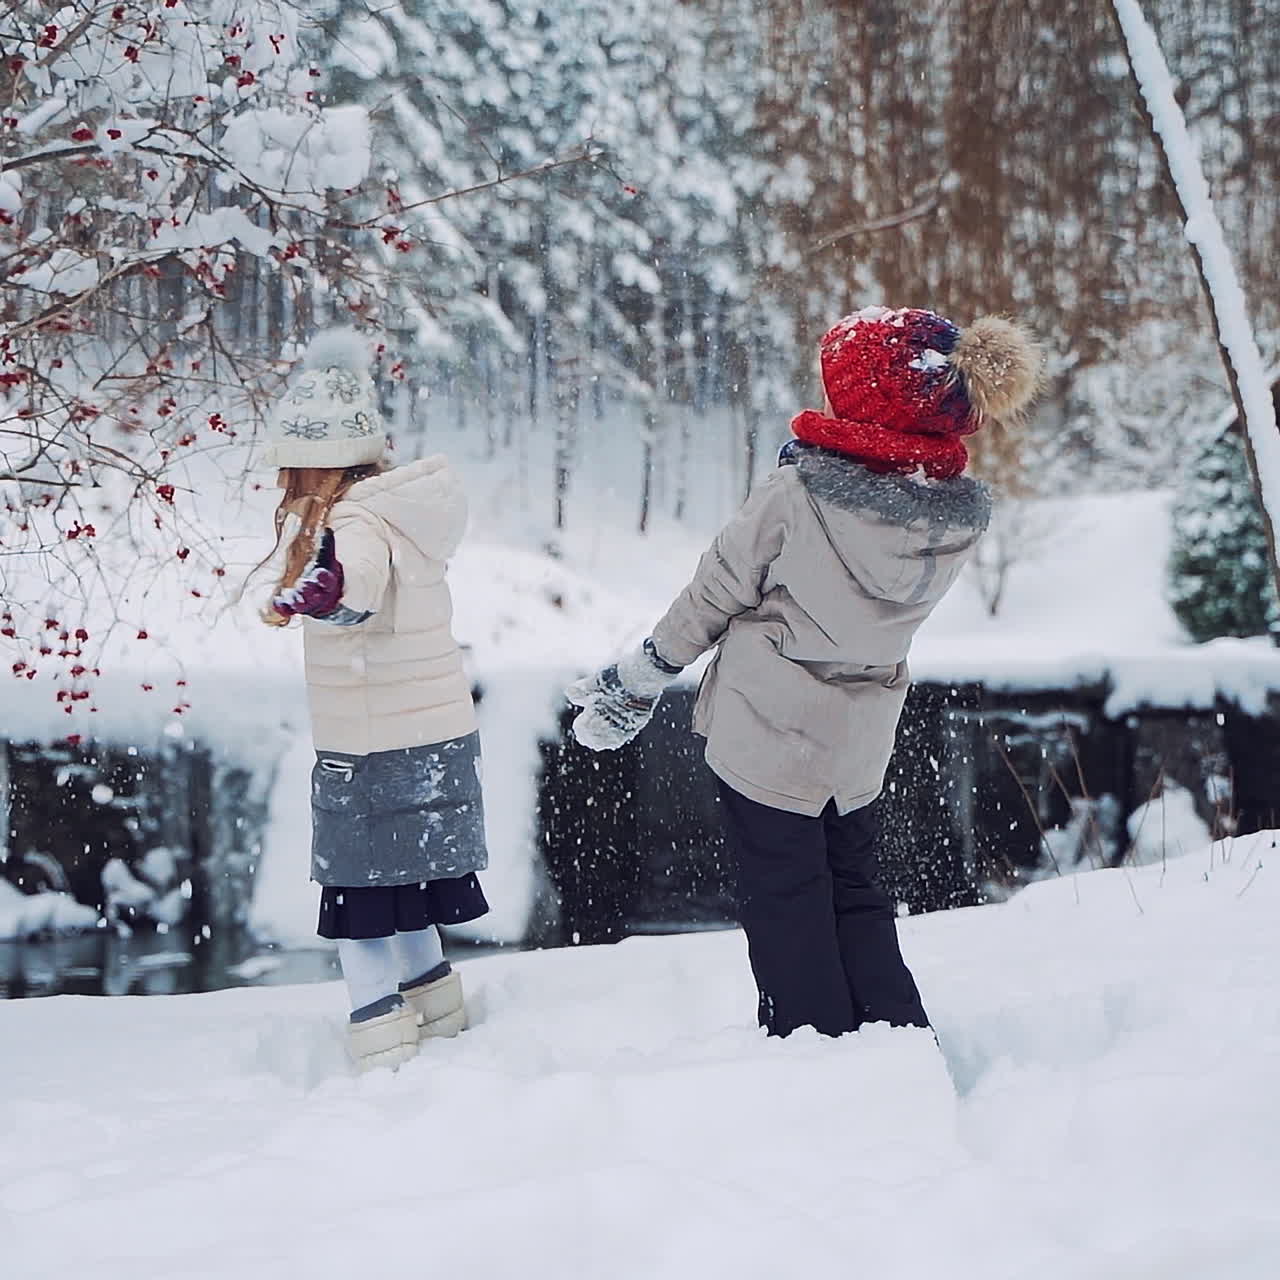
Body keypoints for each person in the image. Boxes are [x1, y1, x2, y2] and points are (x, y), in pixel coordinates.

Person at [568, 305, 1042, 1039]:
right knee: (856, 887)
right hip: (860, 734)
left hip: (770, 724)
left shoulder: (797, 496)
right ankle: (893, 1030)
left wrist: (643, 674)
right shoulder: (953, 516)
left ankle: (813, 1047)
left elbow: (715, 593)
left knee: (785, 896)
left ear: (863, 404)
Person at [258, 328, 490, 1071]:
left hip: (373, 745)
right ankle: (437, 1010)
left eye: (292, 467)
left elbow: (351, 585)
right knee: (409, 889)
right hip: (431, 736)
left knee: (357, 898)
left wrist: (307, 595)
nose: (285, 483)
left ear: (315, 464)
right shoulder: (396, 511)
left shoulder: (353, 522)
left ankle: (380, 1035)